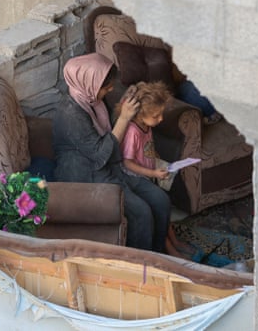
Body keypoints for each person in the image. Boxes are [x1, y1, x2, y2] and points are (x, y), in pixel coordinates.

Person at [52, 53, 171, 253]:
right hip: (86, 173)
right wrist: (124, 119)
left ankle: (159, 254)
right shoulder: (70, 113)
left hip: (111, 163)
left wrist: (125, 105)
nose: (111, 89)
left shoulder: (93, 100)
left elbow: (109, 134)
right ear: (90, 83)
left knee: (160, 200)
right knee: (140, 212)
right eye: (106, 86)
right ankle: (140, 263)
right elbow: (99, 154)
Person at [117, 81, 172, 182]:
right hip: (136, 178)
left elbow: (145, 146)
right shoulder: (132, 132)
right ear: (140, 115)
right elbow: (127, 162)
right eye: (156, 116)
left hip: (148, 173)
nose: (161, 119)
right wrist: (153, 173)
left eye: (161, 114)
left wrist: (155, 156)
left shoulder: (146, 125)